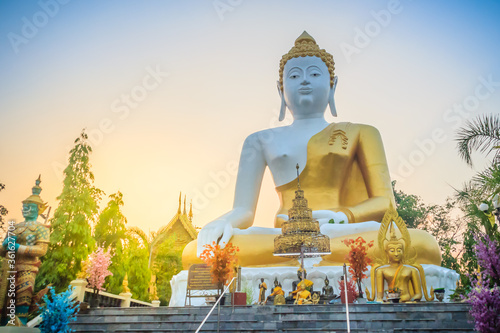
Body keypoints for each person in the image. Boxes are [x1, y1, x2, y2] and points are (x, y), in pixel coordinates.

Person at [182, 31, 441, 268]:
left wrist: (342, 217)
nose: (304, 81)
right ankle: (314, 254)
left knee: (423, 244)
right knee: (197, 251)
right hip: (283, 235)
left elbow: (386, 204)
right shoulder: (259, 140)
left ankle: (312, 253)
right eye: (294, 76)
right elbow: (244, 212)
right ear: (280, 88)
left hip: (343, 232)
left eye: (315, 74)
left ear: (333, 85)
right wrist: (222, 222)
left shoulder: (362, 132)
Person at [0, 176, 50, 325]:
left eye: (30, 207)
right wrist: (5, 245)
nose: (26, 209)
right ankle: (5, 321)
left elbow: (41, 250)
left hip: (27, 268)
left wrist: (18, 248)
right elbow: (2, 251)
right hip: (9, 267)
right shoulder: (15, 227)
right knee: (5, 298)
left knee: (23, 296)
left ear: (38, 209)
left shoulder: (41, 228)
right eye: (25, 207)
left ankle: (19, 322)